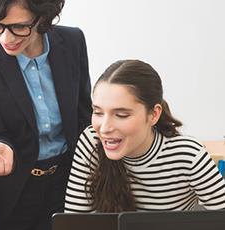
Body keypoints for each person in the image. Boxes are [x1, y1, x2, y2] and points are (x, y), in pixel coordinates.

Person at [0, 0, 92, 229]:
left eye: (19, 27)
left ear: (42, 17)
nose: (6, 39)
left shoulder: (72, 42)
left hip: (70, 180)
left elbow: (84, 115)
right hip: (14, 187)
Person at [65, 59, 225, 213]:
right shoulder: (90, 140)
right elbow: (73, 222)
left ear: (153, 114)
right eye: (98, 112)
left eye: (121, 115)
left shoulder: (188, 155)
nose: (105, 128)